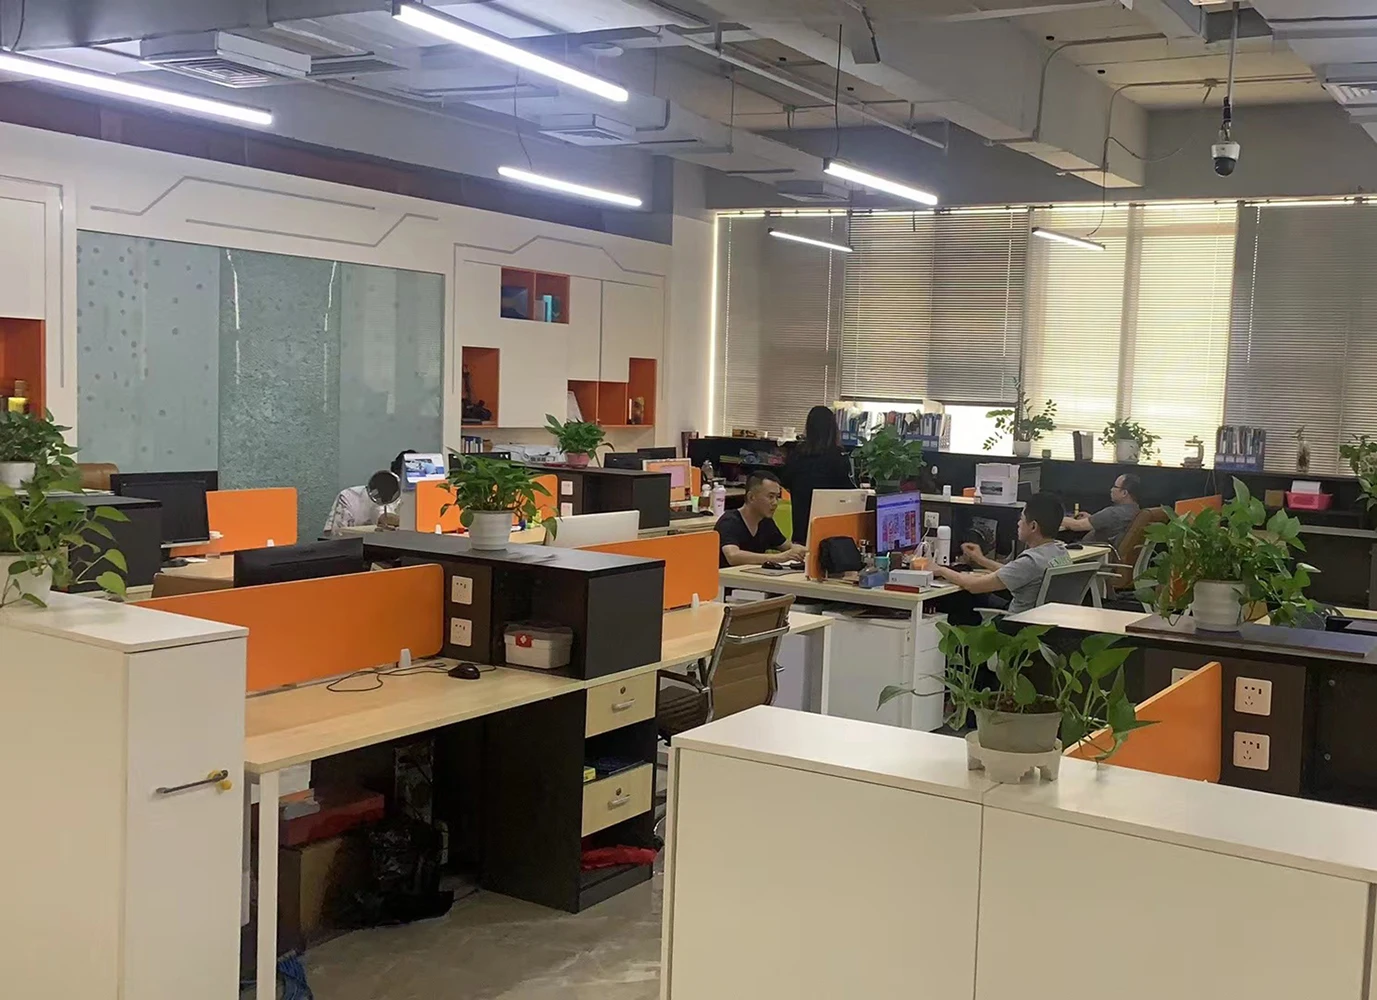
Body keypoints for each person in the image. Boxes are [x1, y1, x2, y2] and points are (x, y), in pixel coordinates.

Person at [933, 493, 1070, 616]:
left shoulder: (1031, 561)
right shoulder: (1060, 552)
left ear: (1033, 526)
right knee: (982, 597)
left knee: (962, 598)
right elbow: (1015, 571)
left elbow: (973, 585)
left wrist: (940, 570)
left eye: (1021, 519)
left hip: (1016, 625)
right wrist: (981, 559)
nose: (1018, 523)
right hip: (1041, 624)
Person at [780, 405, 856, 546]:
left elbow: (785, 481)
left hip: (802, 525)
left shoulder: (797, 454)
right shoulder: (838, 457)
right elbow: (848, 492)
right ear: (833, 428)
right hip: (830, 526)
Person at [715, 470, 807, 568]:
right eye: (770, 497)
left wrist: (803, 551)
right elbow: (733, 556)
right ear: (751, 497)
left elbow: (787, 546)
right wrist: (779, 557)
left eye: (777, 497)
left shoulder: (766, 522)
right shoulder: (729, 521)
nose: (775, 503)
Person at [1063, 473, 1141, 552]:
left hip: (1090, 553)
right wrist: (1091, 518)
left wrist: (1059, 518)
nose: (1111, 490)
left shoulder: (1112, 513)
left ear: (1124, 493)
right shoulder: (1136, 511)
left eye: (1115, 486)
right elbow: (1110, 524)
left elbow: (1077, 525)